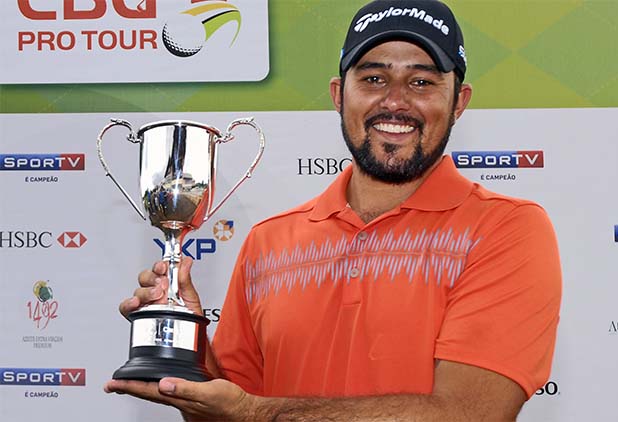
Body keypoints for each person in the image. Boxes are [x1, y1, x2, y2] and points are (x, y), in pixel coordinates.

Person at [105, 0, 562, 420]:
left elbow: (467, 413)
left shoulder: (505, 229)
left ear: (458, 102)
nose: (396, 101)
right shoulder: (269, 240)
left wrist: (259, 413)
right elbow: (228, 412)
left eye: (421, 81)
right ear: (338, 94)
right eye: (373, 78)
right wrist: (185, 350)